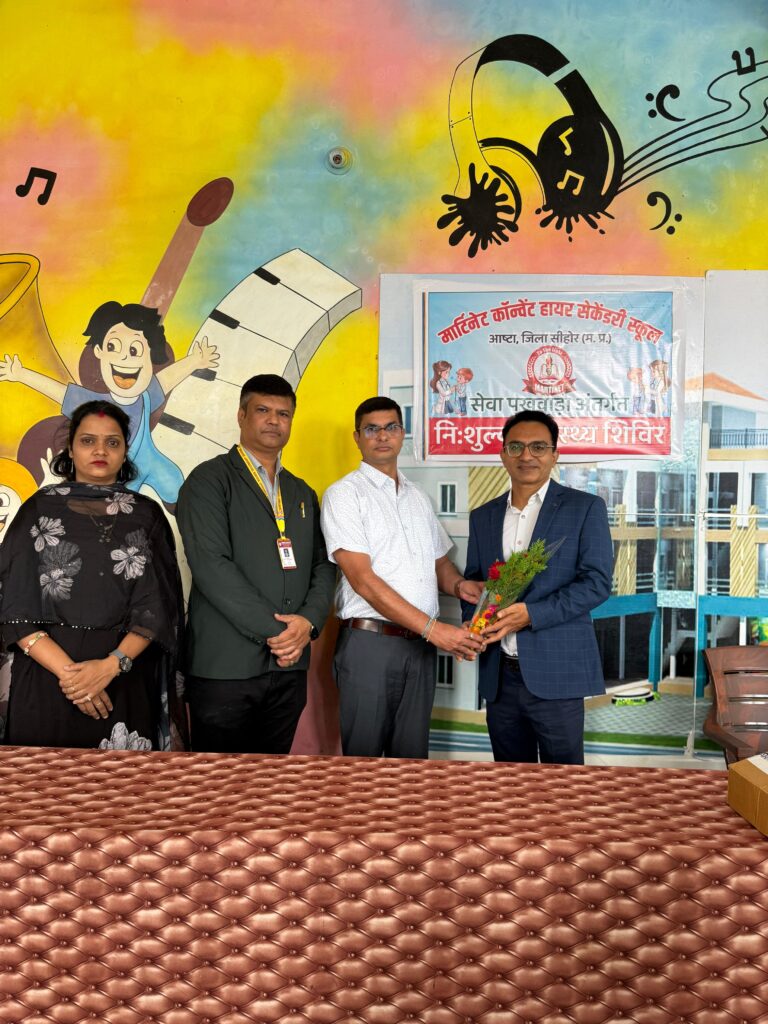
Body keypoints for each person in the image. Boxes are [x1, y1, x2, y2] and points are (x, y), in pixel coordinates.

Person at [0, 400, 185, 750]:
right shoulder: (37, 510)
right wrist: (73, 678)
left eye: (112, 442)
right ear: (70, 449)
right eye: (88, 441)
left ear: (125, 451)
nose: (100, 450)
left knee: (120, 784)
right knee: (43, 783)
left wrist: (110, 667)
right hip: (46, 678)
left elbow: (159, 608)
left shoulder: (147, 516)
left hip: (124, 678)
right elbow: (13, 607)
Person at [176, 374, 335, 754]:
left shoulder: (301, 492)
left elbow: (324, 565)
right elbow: (211, 566)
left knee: (271, 781)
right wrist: (280, 633)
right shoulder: (209, 480)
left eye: (283, 414)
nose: (274, 421)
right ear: (241, 415)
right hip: (225, 667)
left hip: (289, 668)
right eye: (263, 410)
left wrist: (308, 623)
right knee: (218, 781)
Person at [321, 396, 484, 759]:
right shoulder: (344, 495)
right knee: (364, 766)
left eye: (391, 427)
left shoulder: (417, 497)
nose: (382, 436)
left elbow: (439, 564)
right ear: (357, 437)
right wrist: (434, 629)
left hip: (419, 648)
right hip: (370, 644)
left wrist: (460, 586)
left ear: (402, 433)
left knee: (411, 764)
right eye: (371, 429)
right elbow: (363, 581)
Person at [463, 410, 613, 765]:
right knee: (511, 783)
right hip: (500, 679)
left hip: (558, 675)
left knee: (563, 785)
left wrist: (532, 614)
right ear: (503, 454)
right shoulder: (483, 516)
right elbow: (475, 583)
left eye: (538, 447)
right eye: (516, 447)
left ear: (554, 454)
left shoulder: (584, 508)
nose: (526, 455)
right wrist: (474, 623)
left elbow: (596, 583)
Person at [0, 301, 219, 505]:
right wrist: (21, 374)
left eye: (134, 351)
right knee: (121, 503)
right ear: (99, 351)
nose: (124, 358)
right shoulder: (91, 405)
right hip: (120, 473)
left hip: (151, 461)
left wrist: (195, 361)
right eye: (113, 347)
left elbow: (167, 378)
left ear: (150, 356)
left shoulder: (147, 394)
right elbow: (60, 392)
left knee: (175, 484)